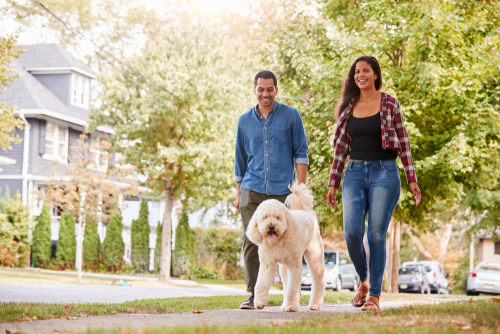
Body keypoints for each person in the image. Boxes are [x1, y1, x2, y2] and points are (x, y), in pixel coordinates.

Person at [326, 56, 421, 311]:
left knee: (376, 235)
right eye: (357, 71)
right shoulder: (349, 107)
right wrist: (333, 182)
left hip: (384, 173)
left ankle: (374, 297)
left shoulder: (390, 103)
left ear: (375, 75)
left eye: (366, 70)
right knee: (352, 233)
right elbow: (340, 150)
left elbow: (404, 143)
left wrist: (412, 179)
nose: (361, 75)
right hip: (354, 173)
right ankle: (364, 281)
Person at [234, 70, 309, 309]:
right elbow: (240, 160)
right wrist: (238, 193)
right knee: (251, 241)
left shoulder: (291, 116)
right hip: (251, 187)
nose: (265, 94)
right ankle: (254, 294)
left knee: (289, 241)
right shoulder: (244, 121)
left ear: (276, 90)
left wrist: (300, 189)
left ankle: (291, 294)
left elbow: (301, 154)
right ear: (254, 90)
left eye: (269, 89)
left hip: (282, 191)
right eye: (260, 89)